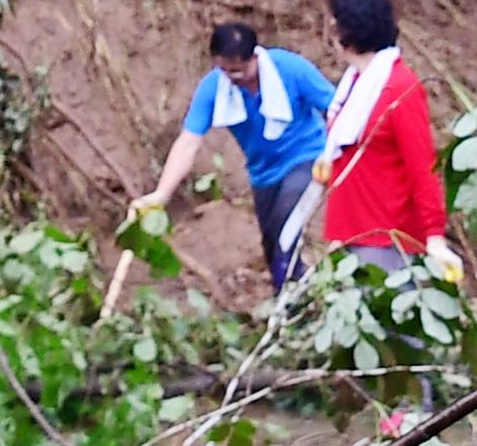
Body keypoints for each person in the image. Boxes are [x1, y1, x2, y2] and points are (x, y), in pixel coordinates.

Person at [136, 21, 337, 296]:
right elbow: (188, 142)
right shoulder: (214, 88)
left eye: (240, 70)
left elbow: (337, 108)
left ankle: (297, 290)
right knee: (272, 245)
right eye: (227, 71)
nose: (235, 78)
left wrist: (339, 154)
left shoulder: (290, 68)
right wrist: (161, 194)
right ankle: (289, 299)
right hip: (263, 174)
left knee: (286, 226)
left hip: (307, 158)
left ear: (255, 56)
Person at [308, 0, 459, 289]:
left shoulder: (399, 87)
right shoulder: (353, 86)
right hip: (350, 232)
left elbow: (423, 166)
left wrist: (434, 235)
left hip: (387, 238)